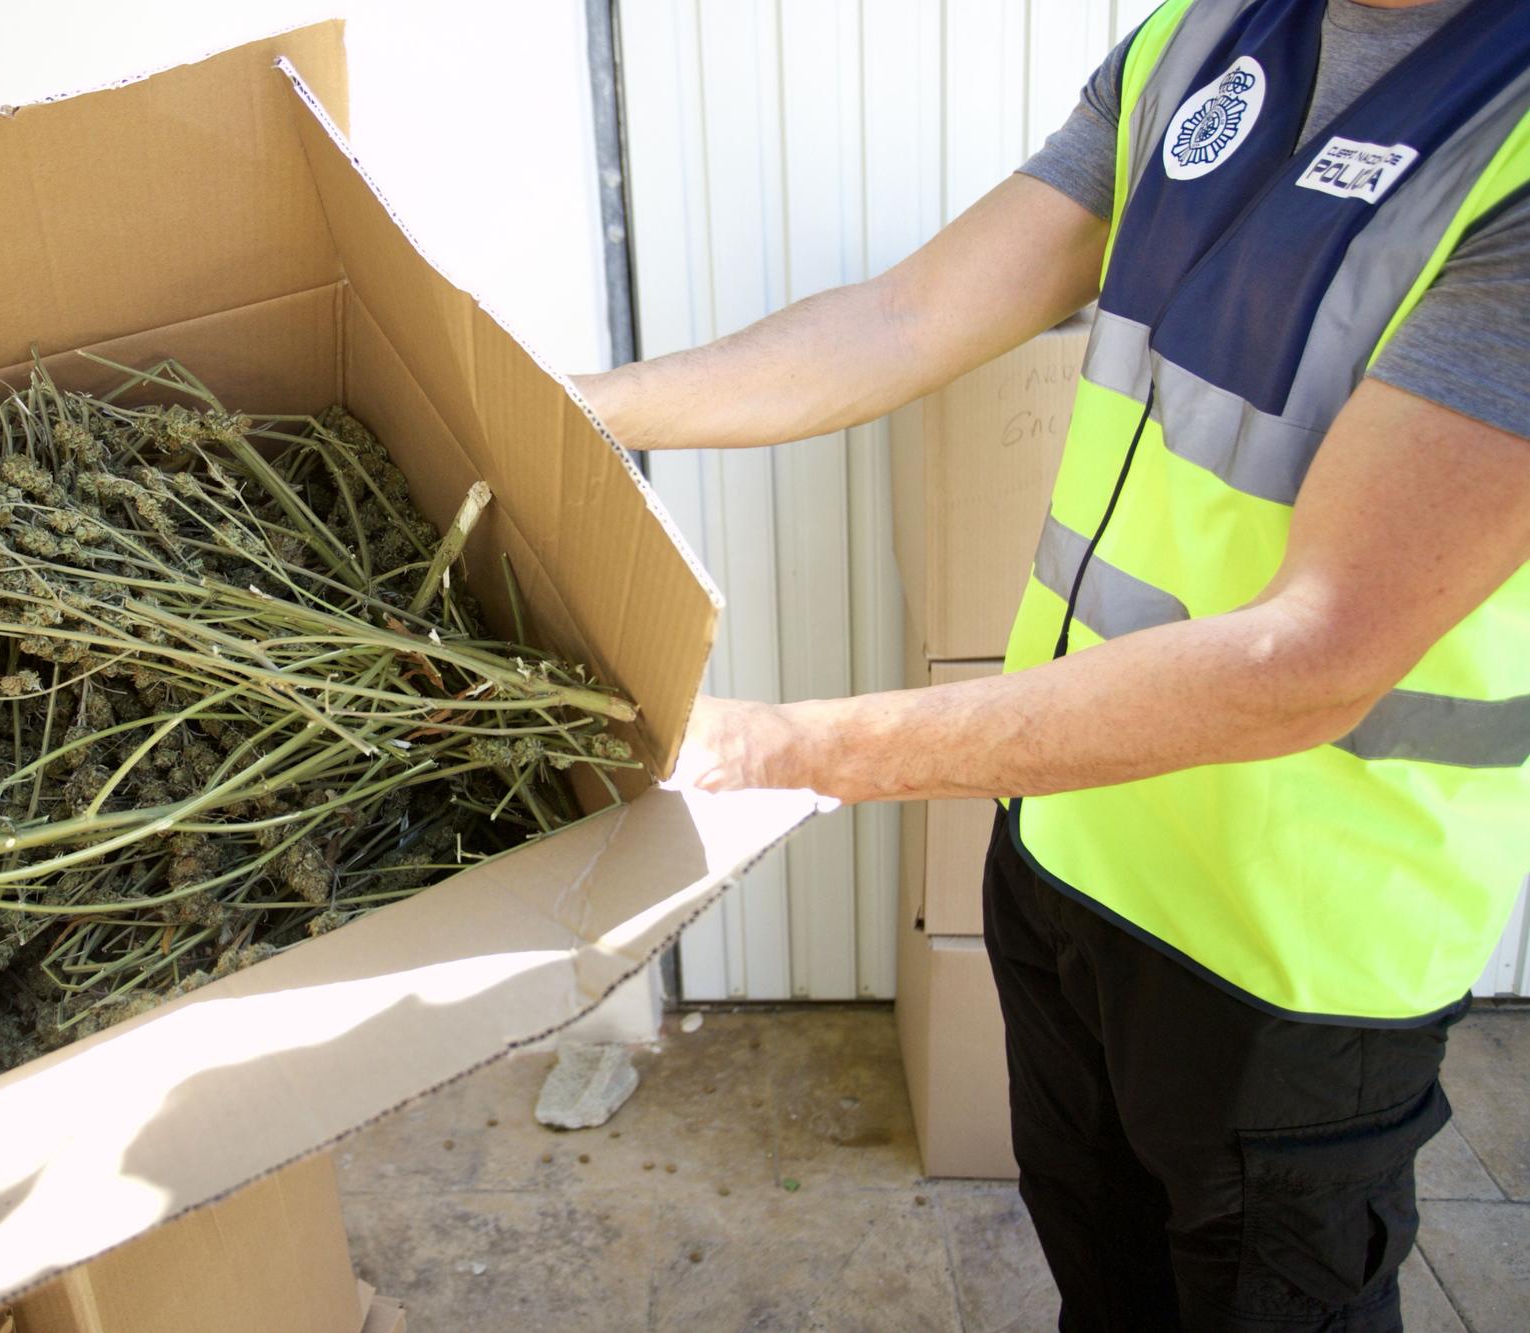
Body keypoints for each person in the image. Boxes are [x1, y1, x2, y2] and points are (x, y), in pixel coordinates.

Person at [573, 1, 1530, 1328]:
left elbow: (1315, 653)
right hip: (1069, 857)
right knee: (1107, 1288)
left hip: (1289, 960)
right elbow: (907, 319)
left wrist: (780, 750)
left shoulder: (1509, 137)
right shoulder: (1201, 43)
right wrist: (576, 414)